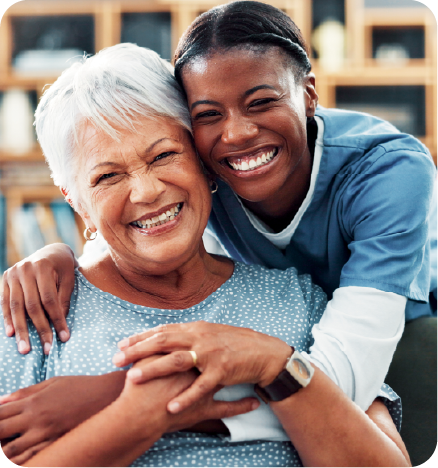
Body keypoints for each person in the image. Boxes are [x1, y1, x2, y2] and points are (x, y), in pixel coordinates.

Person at [1, 0, 436, 460]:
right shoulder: (31, 315)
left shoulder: (372, 191)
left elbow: (349, 394)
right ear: (75, 200)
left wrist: (147, 399)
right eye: (107, 177)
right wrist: (58, 253)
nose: (236, 135)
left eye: (164, 156)